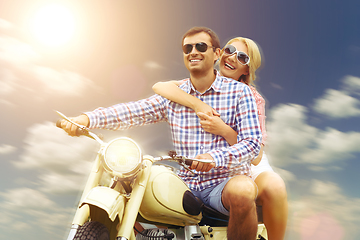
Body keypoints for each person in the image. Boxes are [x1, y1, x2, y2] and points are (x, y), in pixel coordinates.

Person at [59, 27, 262, 240]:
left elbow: (252, 143)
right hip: (185, 184)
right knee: (129, 183)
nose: (193, 51)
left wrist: (214, 158)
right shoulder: (174, 95)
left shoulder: (241, 93)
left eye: (201, 46)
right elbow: (133, 111)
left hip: (222, 184)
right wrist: (86, 119)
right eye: (187, 48)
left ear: (217, 54)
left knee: (244, 189)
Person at [152, 37, 288, 240]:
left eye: (242, 57)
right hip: (211, 166)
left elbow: (256, 155)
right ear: (219, 53)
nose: (232, 57)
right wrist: (197, 104)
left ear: (246, 71)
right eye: (230, 50)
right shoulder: (199, 84)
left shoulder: (251, 96)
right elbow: (161, 86)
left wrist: (223, 130)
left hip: (247, 164)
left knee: (275, 187)